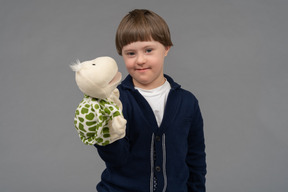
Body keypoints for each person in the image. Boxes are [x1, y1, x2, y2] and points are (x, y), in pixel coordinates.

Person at [94, 9, 206, 192]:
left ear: (166, 48)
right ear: (121, 54)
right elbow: (116, 160)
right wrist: (104, 133)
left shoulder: (187, 102)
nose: (140, 60)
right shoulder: (115, 101)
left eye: (148, 50)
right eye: (130, 53)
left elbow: (196, 160)